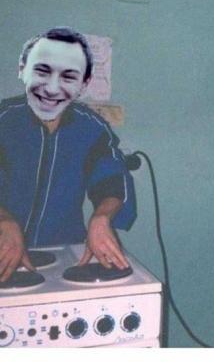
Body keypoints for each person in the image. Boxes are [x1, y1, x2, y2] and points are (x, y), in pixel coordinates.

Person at [0, 27, 136, 282]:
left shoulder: (92, 128)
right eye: (42, 72)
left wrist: (101, 218)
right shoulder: (3, 120)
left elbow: (113, 180)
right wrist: (4, 220)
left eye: (69, 77)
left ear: (83, 84)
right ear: (23, 70)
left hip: (64, 254)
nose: (53, 88)